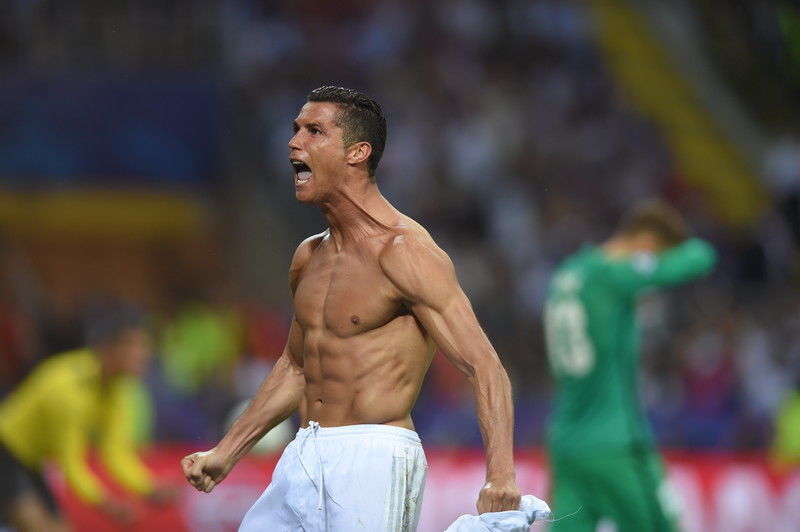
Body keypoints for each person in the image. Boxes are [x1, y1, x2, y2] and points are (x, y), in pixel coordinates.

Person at [181, 86, 522, 530]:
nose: (293, 142)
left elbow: (484, 366)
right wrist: (227, 451)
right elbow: (296, 367)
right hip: (304, 453)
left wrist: (501, 475)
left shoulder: (405, 252)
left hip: (374, 457)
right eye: (296, 129)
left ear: (358, 153)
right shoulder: (308, 257)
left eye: (314, 131)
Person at [543, 201, 716, 532]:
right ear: (647, 243)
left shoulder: (567, 274)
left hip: (567, 445)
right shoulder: (614, 275)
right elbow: (700, 257)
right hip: (615, 444)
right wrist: (654, 262)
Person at [0, 306, 172, 531]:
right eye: (133, 345)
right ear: (108, 348)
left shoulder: (116, 390)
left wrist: (149, 489)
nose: (143, 354)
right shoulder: (70, 388)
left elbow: (114, 452)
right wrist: (106, 503)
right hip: (6, 450)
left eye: (145, 346)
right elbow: (70, 462)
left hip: (29, 460)